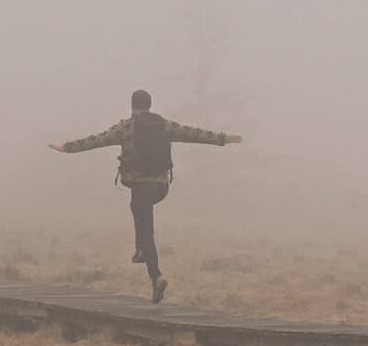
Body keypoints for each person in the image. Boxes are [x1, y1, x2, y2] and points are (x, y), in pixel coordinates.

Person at [50, 89, 241, 302]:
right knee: (138, 211)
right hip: (161, 186)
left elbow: (97, 140)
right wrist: (223, 138)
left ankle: (155, 275)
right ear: (149, 105)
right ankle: (140, 249)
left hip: (141, 186)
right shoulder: (163, 125)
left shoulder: (126, 127)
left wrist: (67, 148)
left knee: (145, 226)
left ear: (133, 106)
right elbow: (192, 133)